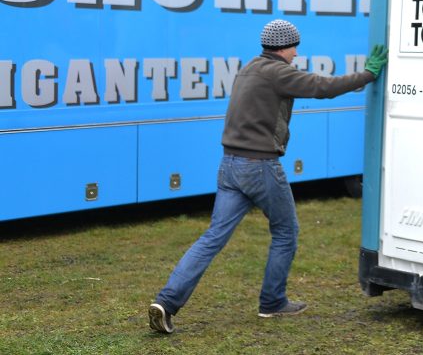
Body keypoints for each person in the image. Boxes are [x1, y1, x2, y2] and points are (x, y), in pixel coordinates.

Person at [148, 19, 388, 333]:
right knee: (286, 232)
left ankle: (166, 302)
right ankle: (273, 302)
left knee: (212, 238)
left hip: (229, 165)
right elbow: (322, 88)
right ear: (284, 47)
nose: (297, 53)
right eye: (295, 46)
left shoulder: (249, 68)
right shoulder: (279, 73)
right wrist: (368, 74)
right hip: (259, 165)